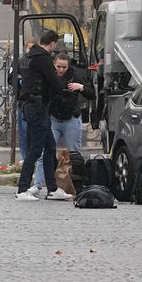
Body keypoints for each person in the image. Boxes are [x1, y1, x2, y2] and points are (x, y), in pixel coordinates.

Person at [15, 30, 84, 201]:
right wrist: (65, 90)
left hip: (31, 105)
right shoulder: (43, 58)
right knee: (36, 149)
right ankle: (22, 188)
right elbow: (53, 81)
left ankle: (52, 188)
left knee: (50, 148)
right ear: (52, 44)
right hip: (38, 107)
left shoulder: (28, 57)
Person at [30, 52, 91, 197]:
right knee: (45, 153)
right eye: (58, 67)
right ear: (54, 65)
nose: (61, 70)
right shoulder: (49, 75)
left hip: (71, 119)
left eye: (64, 67)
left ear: (68, 66)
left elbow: (91, 93)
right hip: (54, 119)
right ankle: (38, 185)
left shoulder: (74, 75)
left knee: (74, 154)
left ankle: (75, 185)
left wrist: (80, 87)